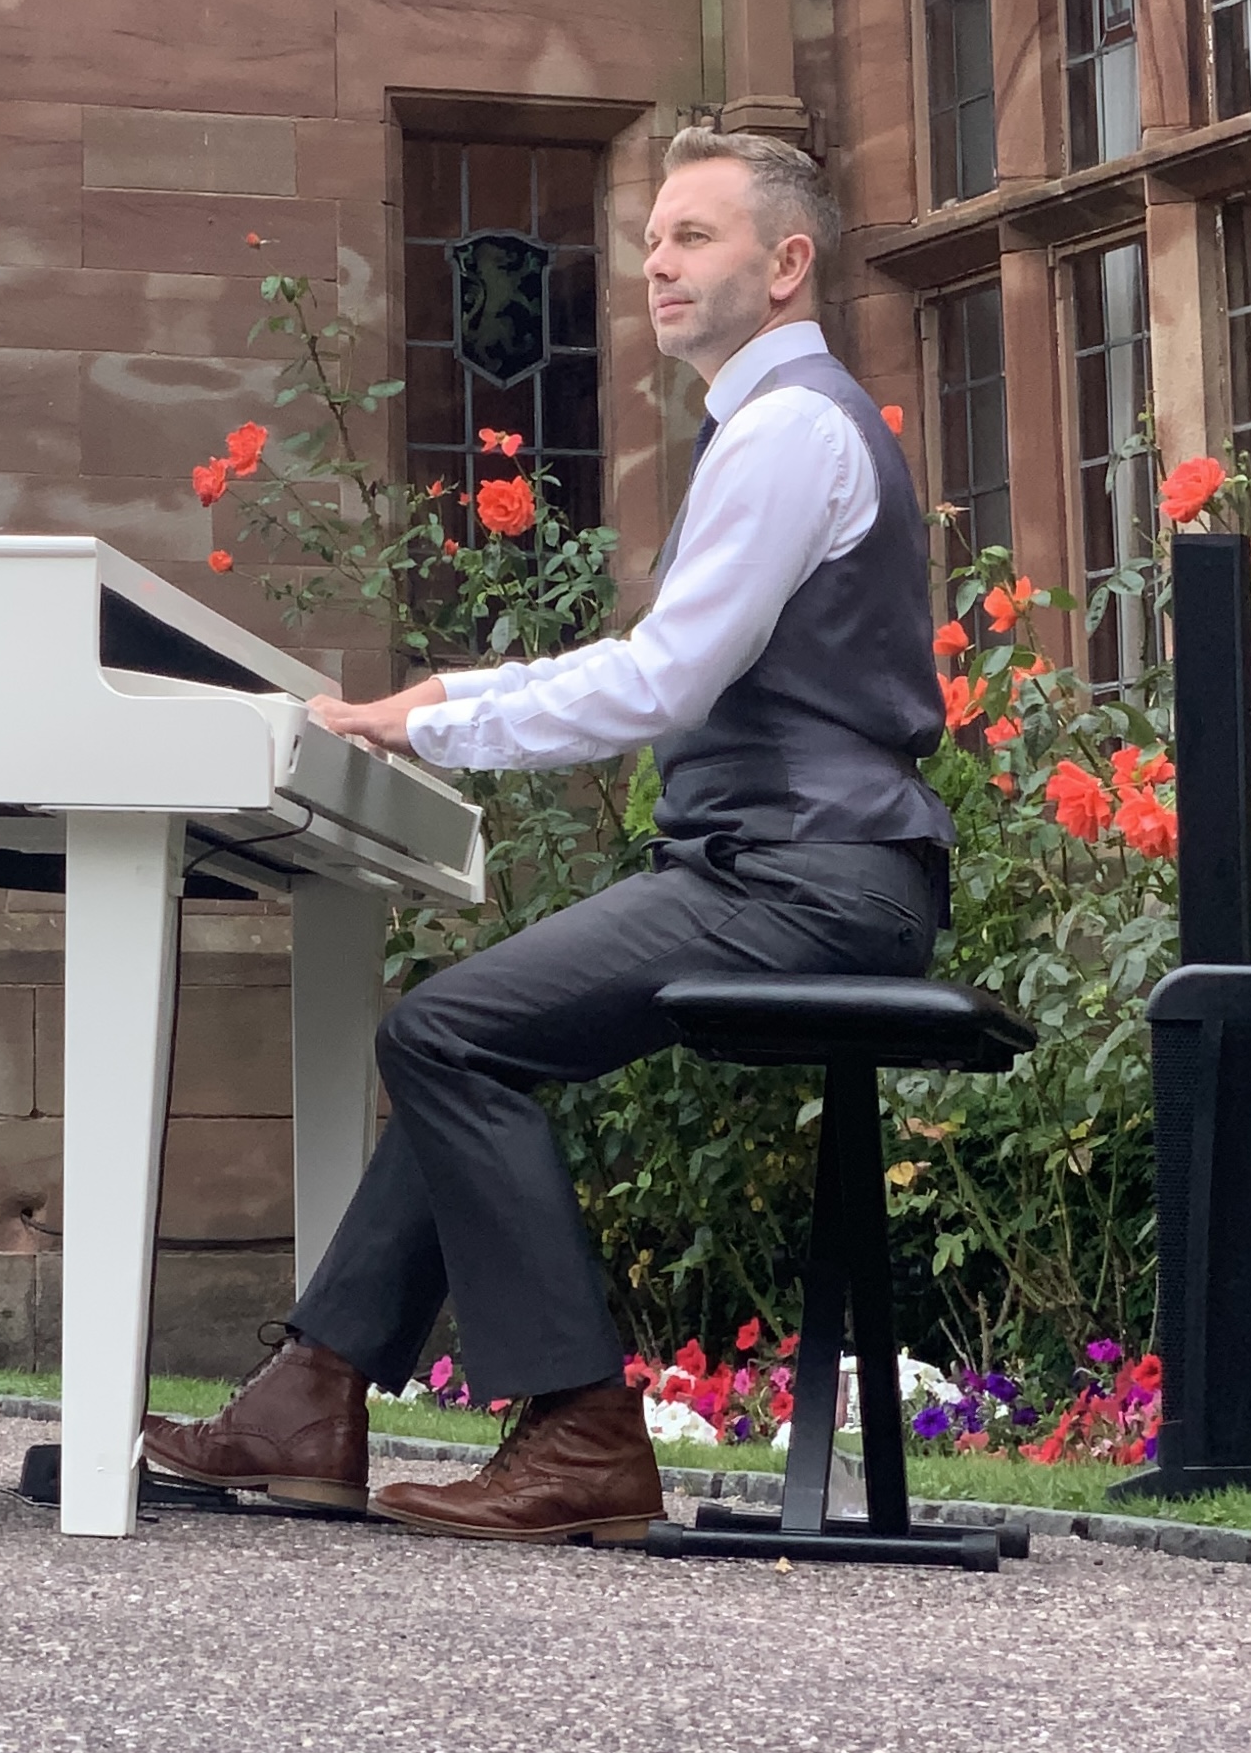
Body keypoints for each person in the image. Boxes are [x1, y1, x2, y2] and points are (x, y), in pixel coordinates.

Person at [143, 125, 956, 1544]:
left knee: (447, 1036)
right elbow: (666, 663)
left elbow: (662, 683)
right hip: (793, 868)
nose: (657, 263)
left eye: (693, 236)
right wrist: (444, 699)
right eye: (652, 240)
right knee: (467, 1034)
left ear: (785, 266)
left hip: (807, 881)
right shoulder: (774, 425)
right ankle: (310, 1398)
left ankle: (581, 1432)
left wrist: (439, 721)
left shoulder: (790, 431)